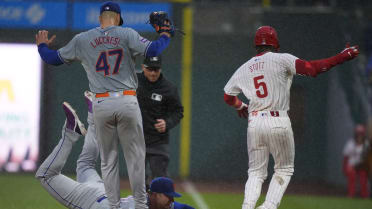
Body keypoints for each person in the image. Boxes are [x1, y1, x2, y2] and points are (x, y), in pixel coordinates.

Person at [35, 2, 174, 208]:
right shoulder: (127, 33)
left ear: (100, 19)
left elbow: (52, 59)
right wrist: (165, 33)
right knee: (135, 157)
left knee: (107, 161)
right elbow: (154, 49)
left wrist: (42, 46)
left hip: (102, 101)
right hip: (126, 100)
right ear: (118, 19)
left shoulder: (82, 39)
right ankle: (140, 203)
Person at [223, 26, 359, 209]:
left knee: (255, 173)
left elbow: (228, 96)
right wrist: (341, 57)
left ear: (256, 44)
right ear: (275, 43)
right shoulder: (282, 59)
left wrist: (240, 106)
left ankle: (247, 207)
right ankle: (268, 207)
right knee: (284, 169)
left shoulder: (244, 67)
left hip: (254, 121)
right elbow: (312, 69)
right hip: (278, 119)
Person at [36, 100, 194, 209]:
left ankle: (93, 117)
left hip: (102, 192)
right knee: (46, 175)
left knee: (86, 165)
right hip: (91, 202)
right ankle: (71, 133)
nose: (171, 200)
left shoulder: (157, 203)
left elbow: (182, 207)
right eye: (168, 196)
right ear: (154, 195)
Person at [136, 56, 184, 188]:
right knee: (139, 180)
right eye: (150, 69)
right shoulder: (133, 81)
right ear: (143, 68)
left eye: (156, 70)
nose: (153, 73)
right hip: (136, 139)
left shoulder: (169, 88)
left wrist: (167, 123)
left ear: (160, 69)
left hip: (158, 141)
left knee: (161, 181)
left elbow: (178, 112)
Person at [343, 124, 370, 198]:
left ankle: (364, 195)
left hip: (362, 166)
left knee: (363, 178)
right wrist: (345, 168)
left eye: (361, 134)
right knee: (352, 176)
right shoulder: (350, 143)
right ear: (355, 134)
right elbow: (346, 157)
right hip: (351, 165)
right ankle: (351, 194)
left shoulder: (366, 144)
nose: (359, 136)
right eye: (358, 134)